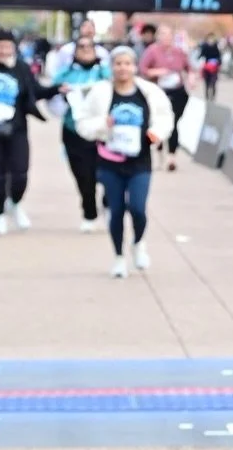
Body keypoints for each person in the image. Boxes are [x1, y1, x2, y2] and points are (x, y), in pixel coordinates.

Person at [74, 44, 173, 277]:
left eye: (127, 63)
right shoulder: (100, 93)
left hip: (140, 160)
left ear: (135, 66)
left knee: (138, 208)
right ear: (111, 67)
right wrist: (102, 125)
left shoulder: (148, 92)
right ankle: (118, 257)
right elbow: (83, 123)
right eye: (118, 64)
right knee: (116, 210)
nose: (122, 68)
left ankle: (138, 243)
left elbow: (165, 117)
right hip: (110, 160)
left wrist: (155, 134)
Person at [0, 27, 59, 233]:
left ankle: (15, 203)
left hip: (16, 128)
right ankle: (0, 215)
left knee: (20, 173)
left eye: (7, 46)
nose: (3, 50)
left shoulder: (21, 67)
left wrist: (57, 88)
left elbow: (36, 91)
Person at [51, 23, 111, 229]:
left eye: (89, 47)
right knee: (82, 174)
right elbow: (51, 89)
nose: (86, 51)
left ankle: (108, 203)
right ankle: (89, 212)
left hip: (100, 131)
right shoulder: (67, 73)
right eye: (81, 48)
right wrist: (62, 90)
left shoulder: (104, 72)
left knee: (103, 172)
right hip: (73, 130)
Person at [138, 23, 192, 172]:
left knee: (173, 122)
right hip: (159, 92)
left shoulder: (178, 52)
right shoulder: (152, 51)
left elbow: (189, 67)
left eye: (168, 35)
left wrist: (191, 78)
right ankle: (159, 151)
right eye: (162, 34)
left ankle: (172, 156)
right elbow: (142, 69)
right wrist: (156, 72)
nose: (166, 38)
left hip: (178, 91)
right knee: (160, 123)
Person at [197, 35, 222, 104]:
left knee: (213, 83)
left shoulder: (216, 47)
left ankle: (213, 97)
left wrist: (217, 62)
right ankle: (207, 97)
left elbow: (219, 57)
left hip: (214, 68)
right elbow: (201, 55)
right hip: (207, 68)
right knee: (206, 83)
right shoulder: (205, 47)